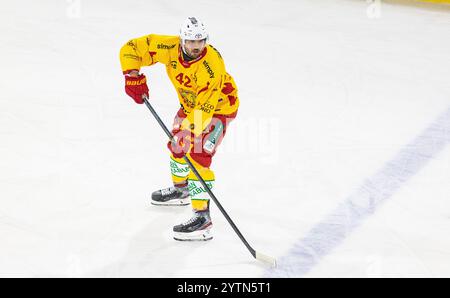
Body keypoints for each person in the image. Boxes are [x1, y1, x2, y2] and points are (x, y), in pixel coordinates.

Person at [119, 17, 239, 241]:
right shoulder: (169, 47)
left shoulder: (211, 66)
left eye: (201, 41)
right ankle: (181, 190)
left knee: (198, 155)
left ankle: (203, 218)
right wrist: (131, 76)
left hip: (217, 110)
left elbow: (206, 107)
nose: (197, 46)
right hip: (191, 106)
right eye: (192, 41)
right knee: (176, 147)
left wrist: (187, 134)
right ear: (182, 40)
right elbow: (132, 48)